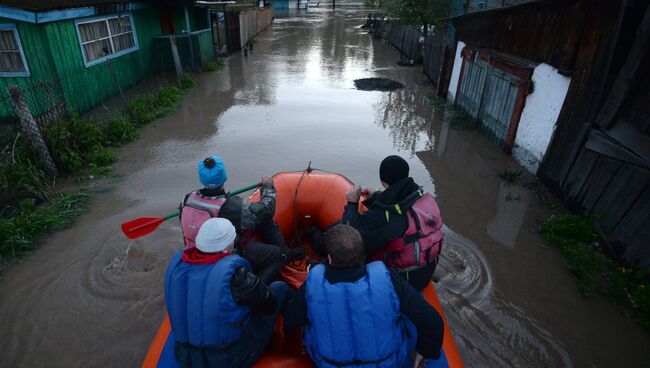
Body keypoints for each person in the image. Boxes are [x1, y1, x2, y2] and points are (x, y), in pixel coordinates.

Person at [284, 225, 444, 368]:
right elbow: (433, 321)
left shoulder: (313, 283)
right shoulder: (387, 278)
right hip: (390, 363)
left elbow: (291, 322)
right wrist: (424, 351)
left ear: (330, 258)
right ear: (362, 255)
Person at [165, 218, 292, 368]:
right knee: (280, 288)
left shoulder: (178, 269)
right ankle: (292, 338)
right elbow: (268, 304)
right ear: (227, 247)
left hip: (185, 355)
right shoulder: (237, 277)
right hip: (229, 359)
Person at [341, 155, 444, 291]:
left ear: (383, 182)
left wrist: (352, 204)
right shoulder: (418, 196)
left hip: (402, 281)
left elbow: (350, 239)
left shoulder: (384, 216)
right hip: (426, 267)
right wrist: (377, 197)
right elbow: (397, 204)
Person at [219, 175, 304, 284]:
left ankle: (284, 251)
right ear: (223, 178)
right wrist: (268, 186)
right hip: (234, 249)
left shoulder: (190, 198)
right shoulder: (232, 206)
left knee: (264, 220)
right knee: (278, 255)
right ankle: (258, 287)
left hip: (219, 243)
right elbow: (266, 210)